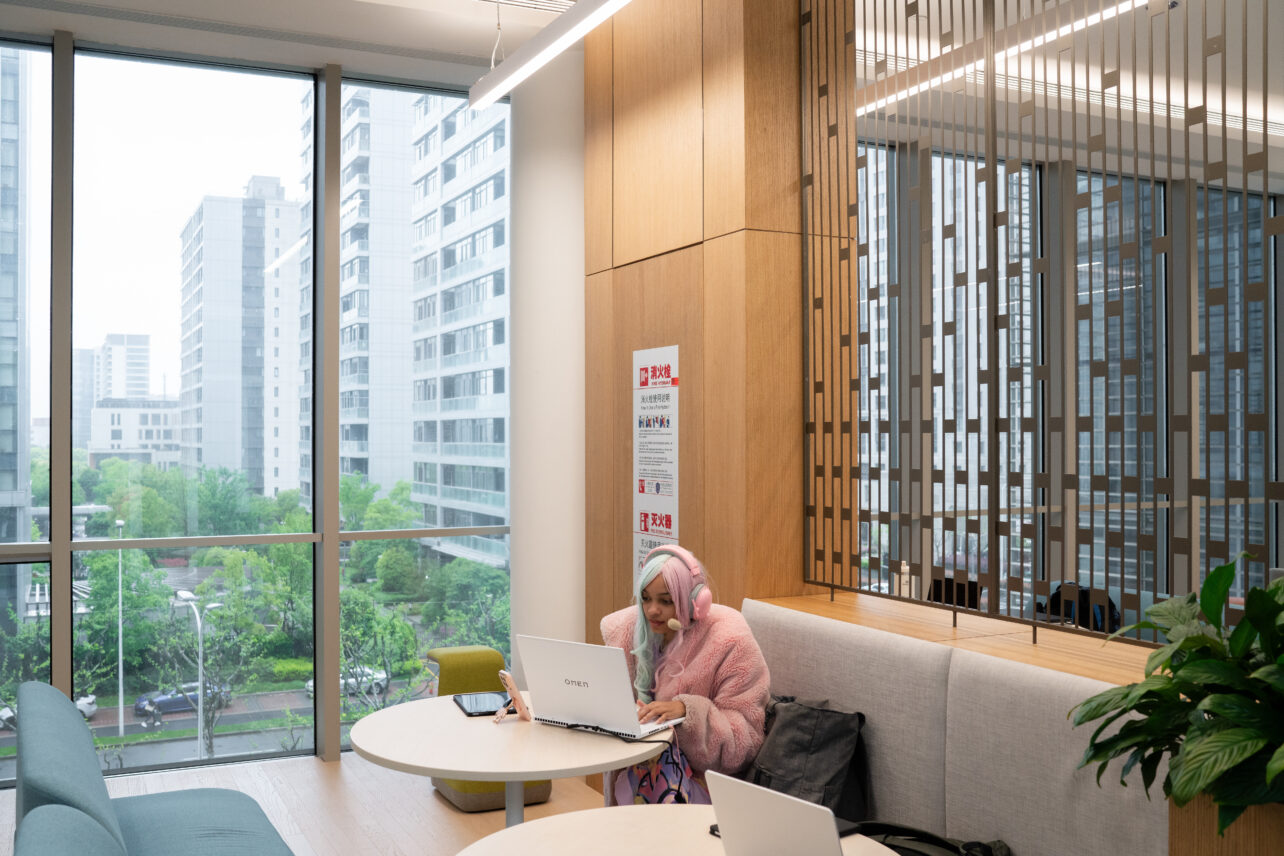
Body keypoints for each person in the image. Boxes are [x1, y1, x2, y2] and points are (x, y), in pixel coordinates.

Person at [601, 544, 770, 805]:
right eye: (645, 598)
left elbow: (744, 741)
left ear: (696, 602)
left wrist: (687, 712)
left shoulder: (730, 641)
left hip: (703, 791)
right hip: (638, 782)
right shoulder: (626, 633)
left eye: (666, 601)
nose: (652, 610)